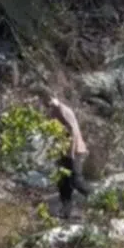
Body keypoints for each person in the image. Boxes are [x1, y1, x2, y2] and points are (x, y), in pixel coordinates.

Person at [44, 90, 91, 219]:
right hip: (63, 151)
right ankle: (66, 212)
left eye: (49, 100)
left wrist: (70, 153)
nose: (47, 103)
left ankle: (96, 199)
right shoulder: (53, 112)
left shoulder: (63, 111)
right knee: (64, 184)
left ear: (54, 97)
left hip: (74, 151)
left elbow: (73, 132)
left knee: (76, 180)